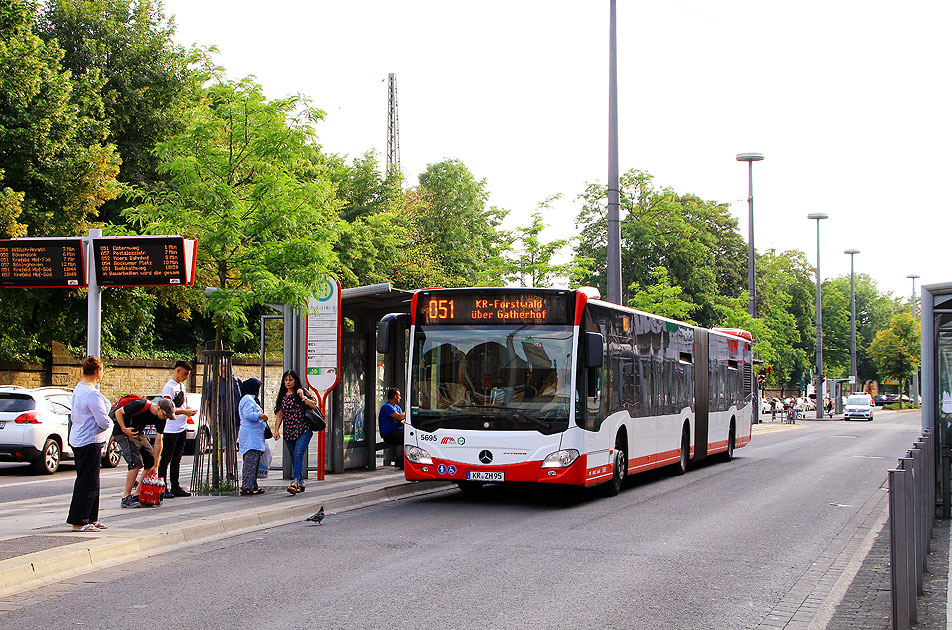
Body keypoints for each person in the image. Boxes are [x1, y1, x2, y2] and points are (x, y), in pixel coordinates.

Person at [67, 357, 112, 532]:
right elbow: (102, 420)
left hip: (80, 438)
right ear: (99, 371)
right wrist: (110, 422)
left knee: (92, 480)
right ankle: (80, 521)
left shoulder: (80, 388)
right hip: (89, 440)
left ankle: (91, 518)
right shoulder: (91, 393)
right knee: (87, 481)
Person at [114, 395, 175, 508]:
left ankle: (137, 494)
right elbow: (118, 412)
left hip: (137, 433)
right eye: (166, 415)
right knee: (135, 463)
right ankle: (126, 498)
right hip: (122, 432)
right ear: (158, 408)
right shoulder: (141, 404)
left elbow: (158, 441)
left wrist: (156, 465)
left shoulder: (161, 418)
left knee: (150, 461)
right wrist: (123, 428)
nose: (166, 418)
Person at [273, 370, 318, 495]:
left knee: (298, 454)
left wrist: (303, 397)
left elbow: (314, 405)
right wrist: (276, 430)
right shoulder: (283, 395)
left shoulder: (301, 391)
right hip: (289, 430)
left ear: (295, 380)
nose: (288, 382)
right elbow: (280, 414)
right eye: (286, 380)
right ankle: (301, 482)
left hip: (303, 428)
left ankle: (295, 481)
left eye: (290, 380)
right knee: (294, 457)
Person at [159, 360, 197, 498]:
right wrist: (185, 412)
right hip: (171, 428)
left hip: (181, 427)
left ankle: (175, 486)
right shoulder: (169, 387)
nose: (187, 377)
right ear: (178, 371)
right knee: (166, 458)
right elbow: (167, 408)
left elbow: (181, 406)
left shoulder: (181, 386)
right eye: (185, 373)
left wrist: (188, 411)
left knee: (177, 459)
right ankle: (162, 486)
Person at [238, 378, 268, 495]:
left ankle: (253, 485)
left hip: (255, 436)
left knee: (254, 462)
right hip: (250, 436)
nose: (259, 390)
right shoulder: (247, 399)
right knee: (250, 462)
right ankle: (247, 486)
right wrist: (261, 416)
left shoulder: (252, 399)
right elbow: (248, 414)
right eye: (258, 388)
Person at [379, 387, 406, 468]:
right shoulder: (387, 407)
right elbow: (399, 417)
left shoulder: (397, 408)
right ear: (395, 396)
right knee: (409, 437)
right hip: (389, 435)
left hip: (397, 433)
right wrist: (409, 411)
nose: (400, 398)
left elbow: (401, 421)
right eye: (399, 396)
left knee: (412, 435)